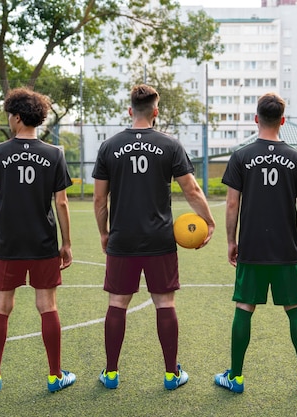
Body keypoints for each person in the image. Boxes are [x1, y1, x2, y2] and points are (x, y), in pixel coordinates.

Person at [92, 84, 216, 390]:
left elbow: (99, 200)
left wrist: (104, 233)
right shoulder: (169, 145)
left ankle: (110, 373)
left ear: (130, 110)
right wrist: (209, 222)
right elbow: (191, 189)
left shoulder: (109, 146)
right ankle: (171, 375)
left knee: (117, 303)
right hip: (160, 239)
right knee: (164, 303)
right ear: (156, 112)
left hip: (123, 239)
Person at [214, 92, 297, 395]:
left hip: (252, 246)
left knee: (244, 307)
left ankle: (235, 378)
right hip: (286, 246)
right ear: (283, 121)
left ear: (256, 119)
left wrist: (231, 241)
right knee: (295, 309)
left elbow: (232, 205)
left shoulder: (241, 156)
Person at [0, 87, 76, 394]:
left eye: (9, 115)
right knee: (47, 305)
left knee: (2, 306)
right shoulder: (54, 154)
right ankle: (54, 375)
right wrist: (67, 244)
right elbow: (61, 203)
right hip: (43, 244)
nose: (8, 119)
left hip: (8, 244)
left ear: (18, 117)